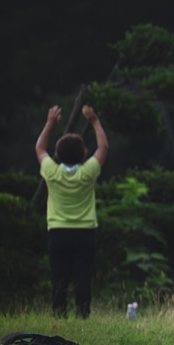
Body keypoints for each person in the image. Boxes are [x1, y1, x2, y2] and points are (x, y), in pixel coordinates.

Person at [36, 104, 108, 319]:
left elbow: (39, 148)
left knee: (59, 277)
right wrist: (94, 121)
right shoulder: (87, 173)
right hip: (85, 232)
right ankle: (83, 316)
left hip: (58, 231)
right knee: (83, 277)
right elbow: (103, 148)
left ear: (57, 154)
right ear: (83, 153)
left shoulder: (52, 172)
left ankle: (59, 315)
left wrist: (49, 123)